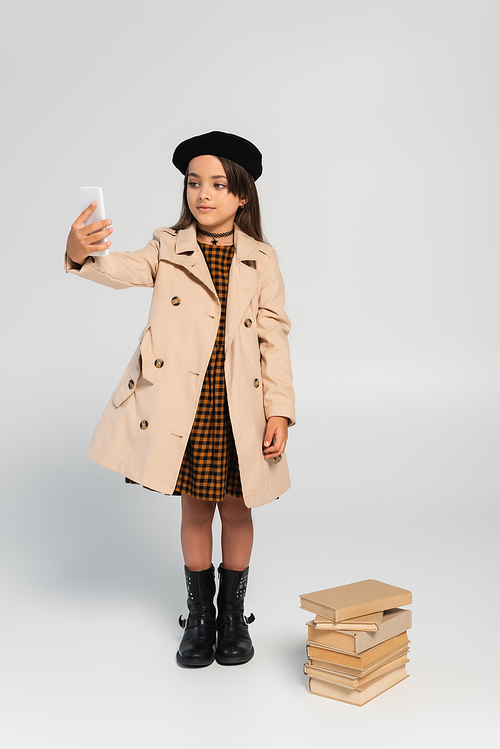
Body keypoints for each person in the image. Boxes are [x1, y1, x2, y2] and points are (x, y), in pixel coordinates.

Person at [65, 131, 295, 668]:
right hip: (185, 405)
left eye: (218, 184)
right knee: (195, 506)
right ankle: (199, 617)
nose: (203, 194)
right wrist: (81, 251)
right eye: (194, 182)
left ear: (242, 195)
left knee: (237, 509)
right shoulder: (168, 246)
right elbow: (119, 269)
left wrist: (280, 408)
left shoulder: (262, 259)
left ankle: (233, 616)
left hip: (240, 405)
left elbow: (274, 334)